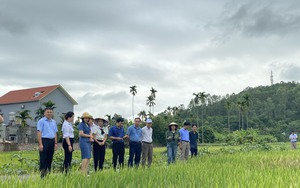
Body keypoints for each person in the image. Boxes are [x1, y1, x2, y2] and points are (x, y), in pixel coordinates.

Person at [37, 107, 58, 178]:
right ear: (44, 113)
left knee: (50, 158)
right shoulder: (41, 121)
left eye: (50, 112)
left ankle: (48, 173)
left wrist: (55, 143)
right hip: (44, 140)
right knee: (43, 158)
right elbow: (39, 132)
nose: (49, 113)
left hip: (52, 141)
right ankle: (42, 175)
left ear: (52, 113)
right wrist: (40, 144)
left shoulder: (54, 122)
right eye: (48, 112)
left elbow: (55, 133)